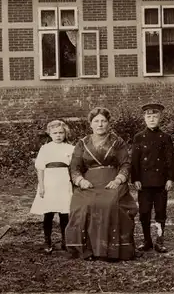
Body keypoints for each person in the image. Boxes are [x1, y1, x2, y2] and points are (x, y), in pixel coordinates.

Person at [65, 107, 138, 261]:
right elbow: (75, 166)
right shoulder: (82, 143)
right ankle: (87, 250)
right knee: (84, 206)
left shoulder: (117, 142)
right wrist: (80, 180)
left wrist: (119, 179)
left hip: (111, 181)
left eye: (103, 121)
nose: (100, 124)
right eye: (96, 121)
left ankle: (112, 250)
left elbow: (125, 164)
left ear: (108, 123)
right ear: (90, 124)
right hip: (89, 183)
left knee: (111, 204)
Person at [131, 103, 174, 253]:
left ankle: (159, 241)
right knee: (144, 212)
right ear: (144, 118)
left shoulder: (165, 137)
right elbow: (135, 161)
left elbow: (170, 160)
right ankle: (147, 240)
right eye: (148, 116)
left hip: (161, 182)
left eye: (155, 116)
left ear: (160, 118)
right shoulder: (138, 137)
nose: (151, 119)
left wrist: (170, 178)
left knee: (161, 211)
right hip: (143, 182)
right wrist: (135, 178)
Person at [30, 120, 75, 254]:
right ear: (49, 134)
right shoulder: (46, 148)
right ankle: (47, 241)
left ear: (65, 133)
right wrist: (42, 186)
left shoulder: (70, 148)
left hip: (64, 182)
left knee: (64, 214)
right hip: (49, 182)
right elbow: (40, 168)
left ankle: (65, 241)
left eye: (61, 133)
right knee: (48, 213)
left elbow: (73, 168)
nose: (58, 135)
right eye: (55, 133)